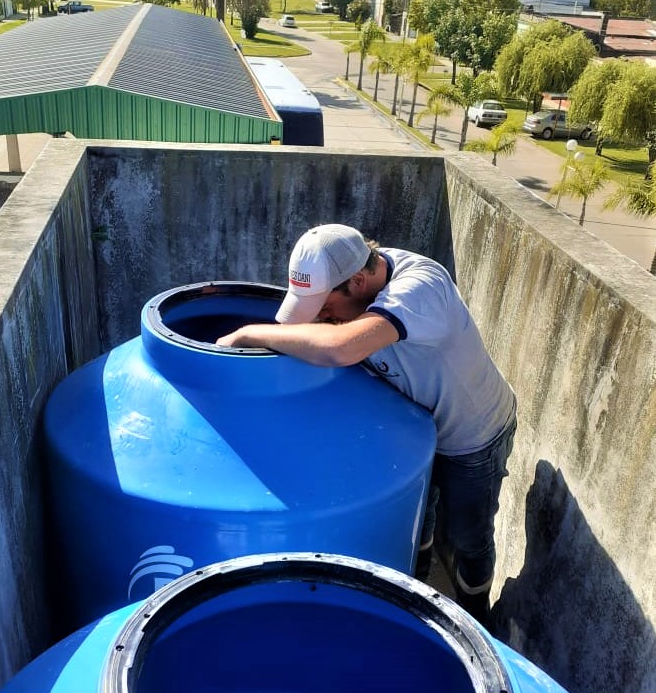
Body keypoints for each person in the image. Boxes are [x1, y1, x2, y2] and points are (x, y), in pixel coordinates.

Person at [216, 223, 516, 624]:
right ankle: (418, 594)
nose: (321, 318)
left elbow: (343, 347)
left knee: (468, 536)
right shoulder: (355, 280)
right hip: (415, 428)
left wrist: (249, 334)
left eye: (325, 307)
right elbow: (313, 336)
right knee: (417, 518)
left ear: (358, 281)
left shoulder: (421, 287)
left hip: (471, 437)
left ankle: (477, 617)